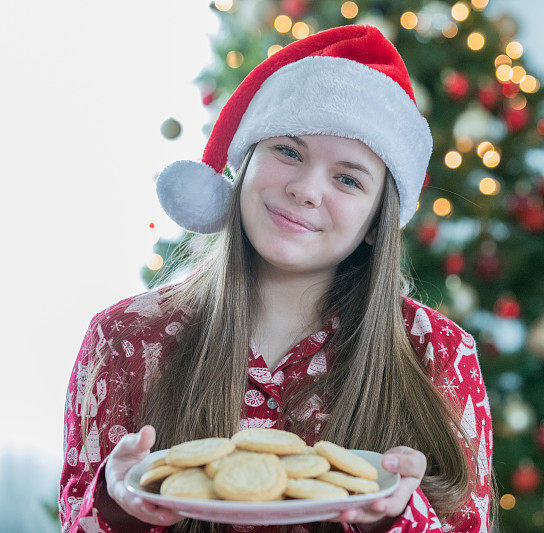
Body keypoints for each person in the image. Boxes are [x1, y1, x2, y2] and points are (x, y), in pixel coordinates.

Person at [59, 24, 497, 533]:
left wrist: (396, 519)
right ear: (244, 164)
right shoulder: (124, 339)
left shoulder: (439, 354)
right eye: (288, 151)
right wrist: (118, 508)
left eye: (348, 179)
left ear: (378, 220)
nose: (306, 190)